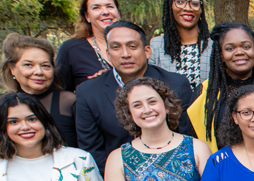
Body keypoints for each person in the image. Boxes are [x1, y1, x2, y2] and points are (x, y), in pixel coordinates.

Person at [75, 21, 194, 172]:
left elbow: (185, 139)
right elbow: (92, 151)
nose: (125, 54)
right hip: (115, 178)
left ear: (147, 51)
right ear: (108, 54)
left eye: (132, 46)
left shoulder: (177, 84)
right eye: (116, 47)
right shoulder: (88, 92)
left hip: (173, 175)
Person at [188, 22, 254, 153]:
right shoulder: (204, 94)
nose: (239, 52)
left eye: (246, 46)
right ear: (221, 55)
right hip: (220, 169)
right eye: (230, 48)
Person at [0, 34, 77, 158]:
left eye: (45, 66)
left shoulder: (69, 101)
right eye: (28, 65)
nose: (38, 72)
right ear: (12, 68)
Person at [148, 0, 212, 94]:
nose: (188, 8)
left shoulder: (214, 44)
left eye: (194, 3)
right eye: (180, 2)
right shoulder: (156, 45)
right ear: (170, 5)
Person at [57, 0, 121, 92]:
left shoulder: (136, 45)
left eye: (110, 6)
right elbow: (59, 95)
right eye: (96, 7)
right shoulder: (71, 49)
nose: (105, 12)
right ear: (87, 16)